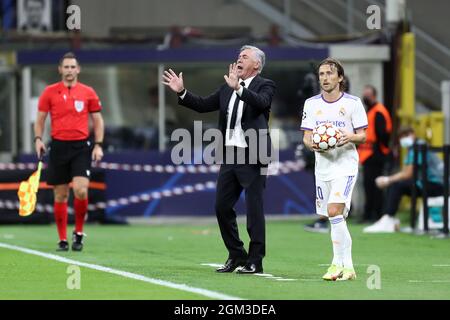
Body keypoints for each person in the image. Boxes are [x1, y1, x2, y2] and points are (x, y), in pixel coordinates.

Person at [162, 45, 276, 274]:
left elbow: (261, 103)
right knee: (222, 207)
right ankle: (236, 254)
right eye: (238, 56)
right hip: (230, 154)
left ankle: (255, 260)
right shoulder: (227, 87)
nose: (239, 59)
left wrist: (240, 89)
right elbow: (204, 105)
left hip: (254, 154)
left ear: (257, 65)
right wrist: (182, 92)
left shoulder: (266, 85)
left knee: (254, 209)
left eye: (245, 57)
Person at [301, 58, 368, 281]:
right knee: (334, 217)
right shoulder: (311, 104)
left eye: (329, 73)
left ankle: (337, 265)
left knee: (333, 211)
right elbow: (307, 138)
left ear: (340, 77)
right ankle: (346, 268)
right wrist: (317, 144)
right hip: (323, 167)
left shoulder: (353, 103)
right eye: (321, 74)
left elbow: (363, 135)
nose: (325, 78)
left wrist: (349, 137)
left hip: (345, 165)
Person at [34, 52, 104, 251]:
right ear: (60, 69)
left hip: (81, 146)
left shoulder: (88, 92)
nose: (70, 70)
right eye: (66, 67)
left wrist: (98, 144)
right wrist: (38, 140)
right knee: (60, 195)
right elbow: (40, 119)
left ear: (78, 69)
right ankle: (63, 239)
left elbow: (98, 120)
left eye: (73, 67)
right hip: (58, 146)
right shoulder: (49, 92)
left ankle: (79, 233)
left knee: (81, 190)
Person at [363, 127, 444, 233]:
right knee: (397, 185)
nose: (403, 140)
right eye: (401, 137)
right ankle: (389, 218)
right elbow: (406, 172)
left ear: (412, 134)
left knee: (397, 186)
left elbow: (408, 174)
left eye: (405, 136)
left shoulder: (418, 147)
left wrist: (388, 180)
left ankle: (388, 219)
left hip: (437, 185)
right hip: (430, 184)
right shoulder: (415, 147)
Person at [357, 85, 393, 222]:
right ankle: (370, 214)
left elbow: (383, 134)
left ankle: (375, 215)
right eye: (364, 94)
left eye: (367, 95)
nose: (365, 97)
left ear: (374, 95)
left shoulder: (378, 111)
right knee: (368, 186)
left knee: (374, 187)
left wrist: (379, 149)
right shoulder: (370, 110)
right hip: (368, 155)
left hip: (376, 155)